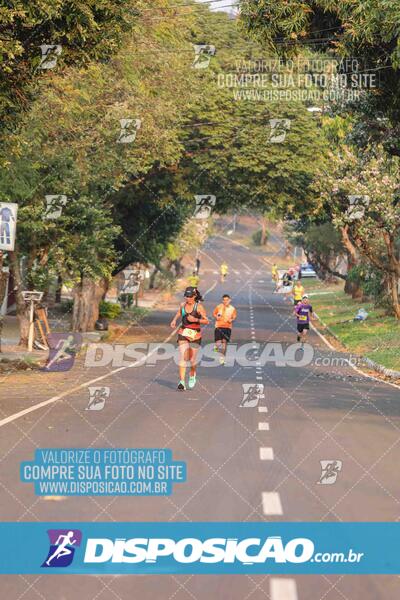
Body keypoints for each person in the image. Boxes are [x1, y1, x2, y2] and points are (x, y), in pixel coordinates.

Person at [170, 286, 209, 391]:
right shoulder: (182, 305)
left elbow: (206, 321)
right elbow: (179, 312)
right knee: (183, 357)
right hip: (183, 332)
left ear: (194, 296)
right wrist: (174, 320)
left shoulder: (199, 307)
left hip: (195, 335)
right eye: (186, 296)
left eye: (190, 296)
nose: (188, 298)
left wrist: (195, 319)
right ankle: (182, 382)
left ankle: (192, 374)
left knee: (192, 360)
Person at [213, 294, 237, 365]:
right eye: (224, 300)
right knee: (219, 342)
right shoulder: (218, 307)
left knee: (224, 342)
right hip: (218, 326)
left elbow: (234, 317)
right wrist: (216, 317)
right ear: (222, 300)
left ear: (230, 300)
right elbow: (214, 313)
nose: (225, 301)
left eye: (227, 300)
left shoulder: (232, 309)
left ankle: (222, 358)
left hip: (227, 327)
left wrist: (231, 320)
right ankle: (216, 347)